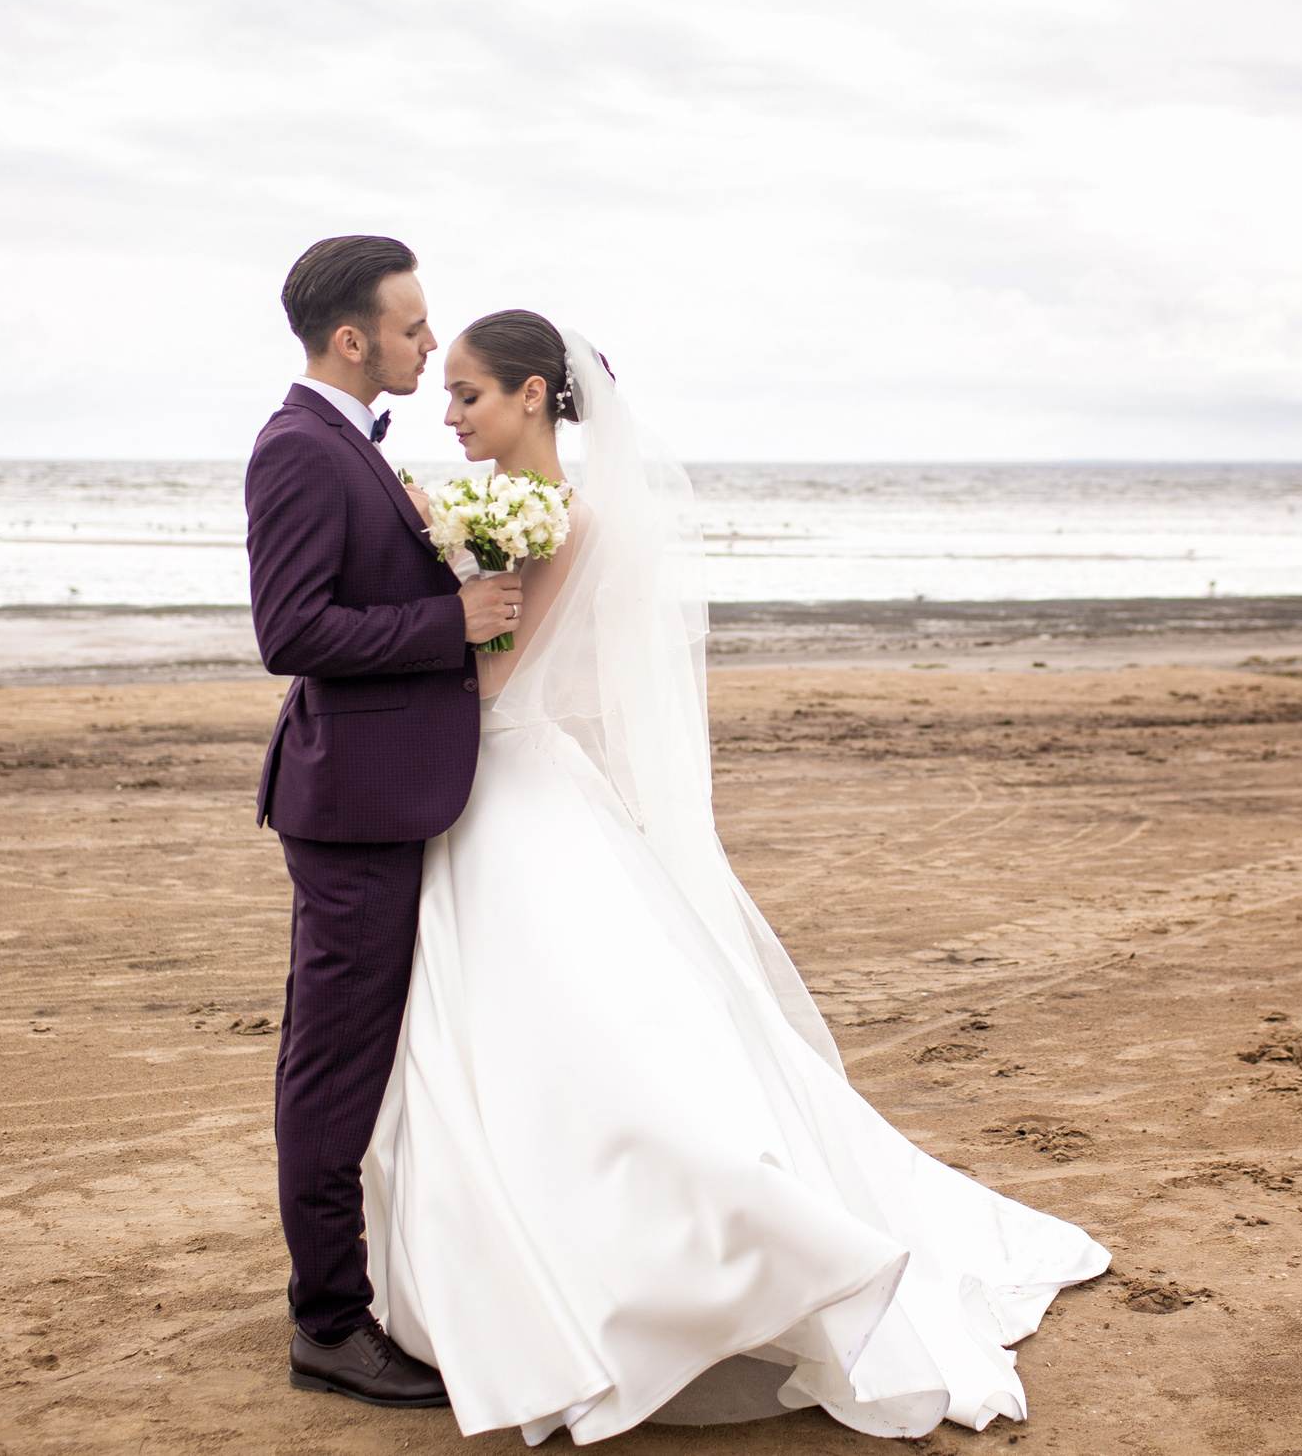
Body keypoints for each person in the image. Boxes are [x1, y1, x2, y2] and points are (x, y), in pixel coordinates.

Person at [359, 309, 1109, 1445]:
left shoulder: (552, 515)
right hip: (490, 789)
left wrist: (431, 601)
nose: (447, 414)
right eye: (446, 394)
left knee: (570, 1034)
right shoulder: (500, 509)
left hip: (505, 780)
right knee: (502, 1035)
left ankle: (702, 1254)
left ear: (529, 396)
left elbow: (496, 681)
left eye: (466, 394)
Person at [241, 235, 525, 1410]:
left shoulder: (357, 451)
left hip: (382, 794)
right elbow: (290, 635)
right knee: (332, 1067)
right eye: (412, 327)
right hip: (353, 810)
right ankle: (328, 1323)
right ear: (352, 338)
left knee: (352, 1056)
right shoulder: (300, 451)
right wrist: (446, 625)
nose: (427, 342)